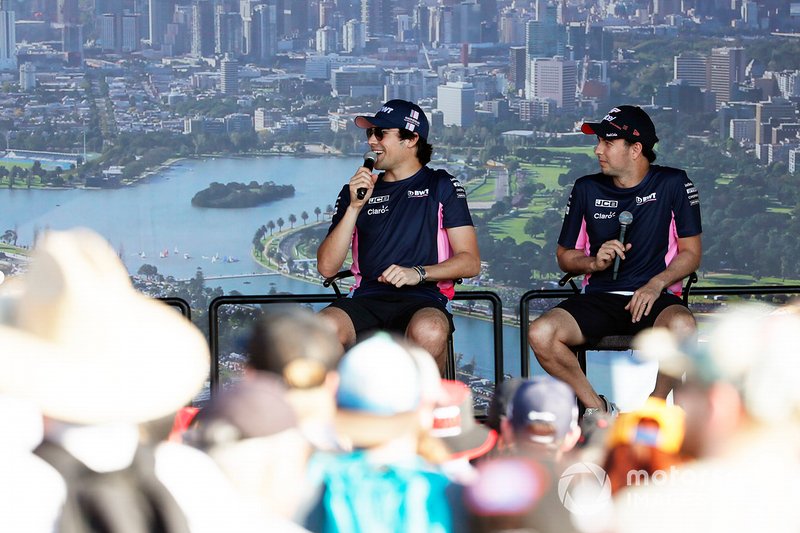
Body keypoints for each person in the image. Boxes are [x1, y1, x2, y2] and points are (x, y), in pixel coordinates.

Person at [527, 105, 702, 413]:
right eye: (599, 142)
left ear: (635, 149)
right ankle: (598, 410)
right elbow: (565, 257)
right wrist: (593, 263)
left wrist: (655, 284)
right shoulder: (586, 188)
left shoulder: (673, 184)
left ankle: (654, 410)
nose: (598, 150)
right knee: (540, 332)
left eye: (607, 142)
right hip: (599, 299)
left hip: (655, 297)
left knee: (684, 327)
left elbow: (691, 254)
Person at [317, 99, 480, 374]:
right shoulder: (354, 191)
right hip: (366, 297)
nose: (372, 140)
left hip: (424, 298)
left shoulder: (441, 185)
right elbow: (327, 268)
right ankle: (339, 413)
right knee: (321, 331)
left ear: (411, 139)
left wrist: (417, 273)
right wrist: (355, 207)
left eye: (381, 133)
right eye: (369, 133)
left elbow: (470, 262)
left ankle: (430, 412)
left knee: (430, 329)